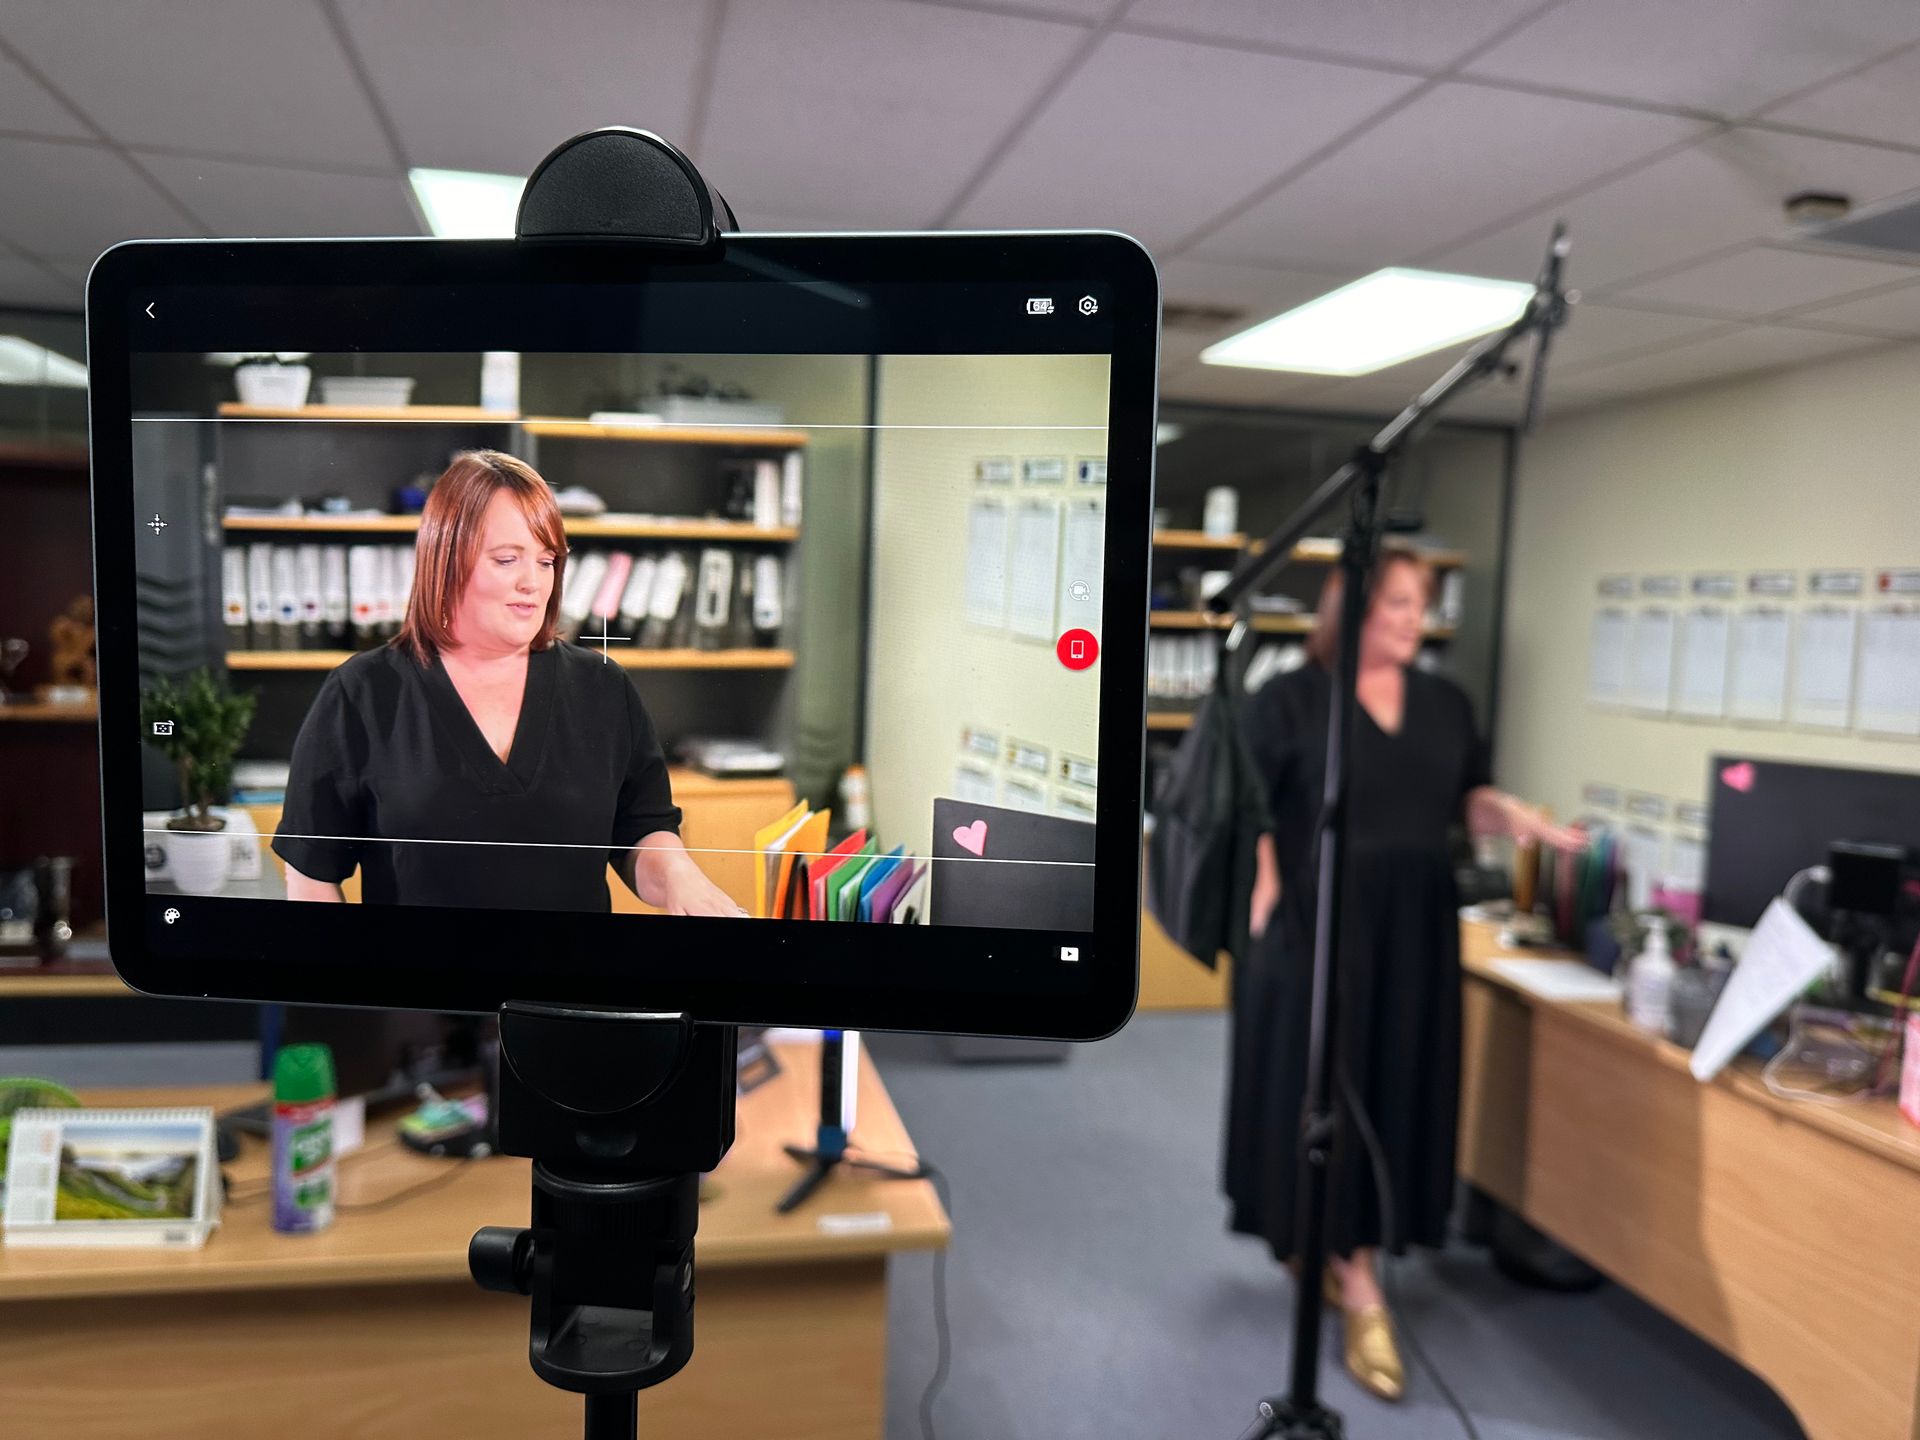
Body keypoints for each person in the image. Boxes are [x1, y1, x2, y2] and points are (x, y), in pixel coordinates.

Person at [1223, 547, 1581, 1402]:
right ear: (1350, 608)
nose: (1410, 618)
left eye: (1420, 603)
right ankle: (1354, 1282)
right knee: (1319, 1091)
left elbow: (1468, 796)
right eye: (1393, 602)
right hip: (1319, 919)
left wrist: (1515, 816)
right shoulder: (1293, 699)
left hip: (1414, 924)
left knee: (1392, 1083)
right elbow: (1254, 803)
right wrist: (1267, 887)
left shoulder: (1447, 703)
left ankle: (1357, 1266)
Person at [273, 450, 742, 917]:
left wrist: (682, 879)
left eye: (546, 561)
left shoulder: (603, 687)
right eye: (506, 559)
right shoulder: (362, 692)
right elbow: (312, 878)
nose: (533, 583)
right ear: (447, 559)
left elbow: (641, 830)